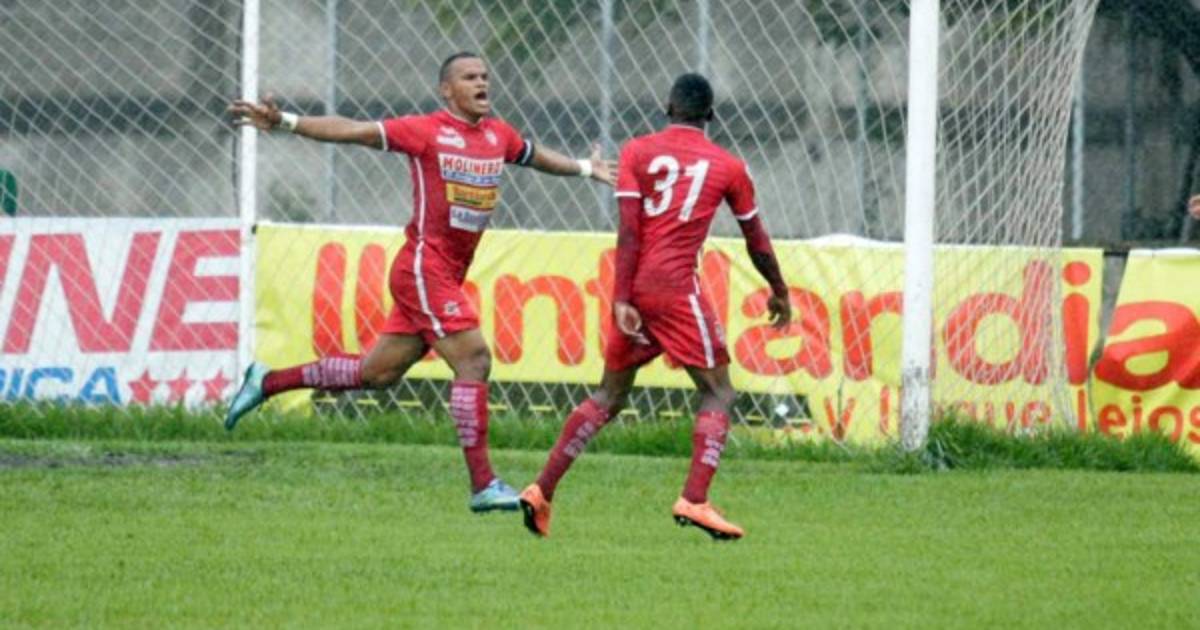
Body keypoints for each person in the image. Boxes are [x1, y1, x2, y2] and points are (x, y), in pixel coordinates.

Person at [224, 52, 616, 514]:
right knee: (474, 359)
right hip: (423, 269)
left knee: (377, 374)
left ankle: (267, 381)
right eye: (469, 77)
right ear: (446, 90)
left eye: (485, 76)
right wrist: (286, 122)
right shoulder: (426, 131)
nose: (482, 83)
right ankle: (483, 485)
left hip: (443, 274)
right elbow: (354, 130)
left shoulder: (498, 135)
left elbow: (533, 156)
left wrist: (584, 168)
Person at [518, 73, 791, 541]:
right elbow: (756, 238)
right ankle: (695, 499)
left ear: (668, 107)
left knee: (609, 397)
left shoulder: (636, 152)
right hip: (677, 289)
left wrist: (622, 297)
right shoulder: (729, 166)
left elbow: (629, 231)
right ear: (711, 115)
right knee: (719, 392)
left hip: (637, 289)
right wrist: (779, 289)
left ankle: (541, 490)